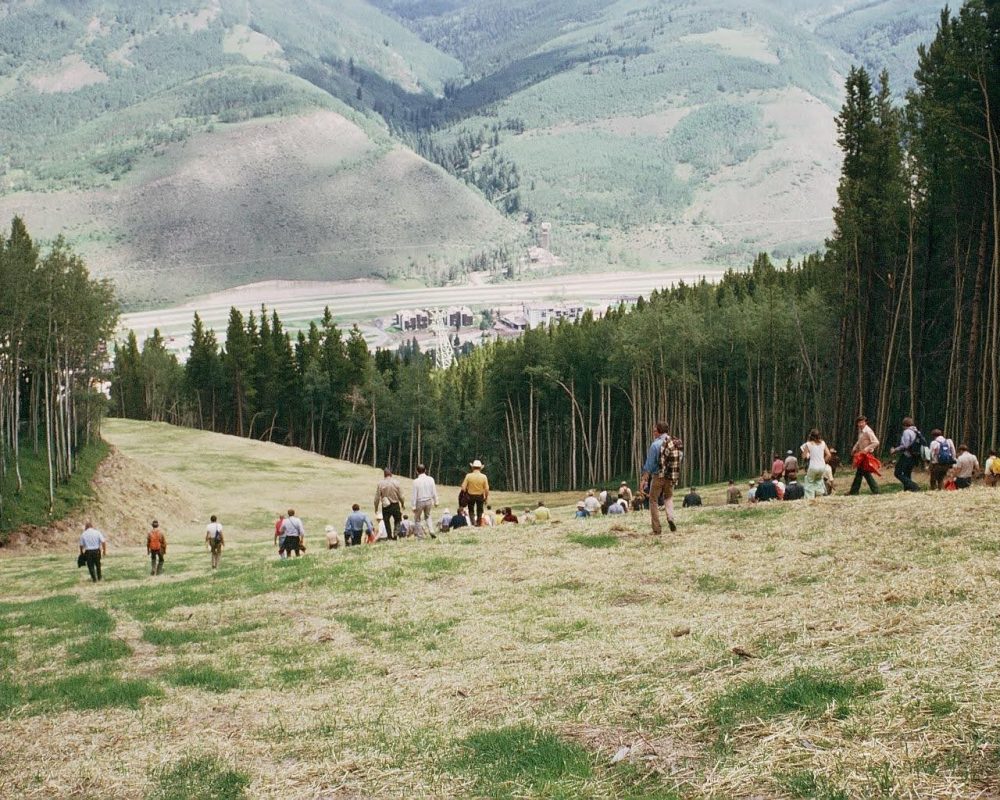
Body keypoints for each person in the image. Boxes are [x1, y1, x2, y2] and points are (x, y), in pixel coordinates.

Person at [641, 421, 679, 535]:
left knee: (653, 500)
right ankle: (670, 518)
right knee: (668, 497)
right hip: (670, 476)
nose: (653, 433)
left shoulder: (655, 445)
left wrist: (644, 479)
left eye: (654, 431)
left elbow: (649, 464)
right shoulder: (673, 442)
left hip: (658, 476)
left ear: (658, 432)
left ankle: (656, 529)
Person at [849, 415, 881, 495]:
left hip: (866, 455)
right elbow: (859, 441)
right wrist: (854, 448)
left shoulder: (868, 431)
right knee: (861, 473)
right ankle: (854, 491)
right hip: (861, 454)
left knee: (864, 473)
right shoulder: (861, 431)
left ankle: (875, 490)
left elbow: (876, 442)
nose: (860, 424)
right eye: (859, 423)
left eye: (862, 422)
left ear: (865, 422)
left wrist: (866, 449)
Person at [889, 417, 922, 492]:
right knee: (907, 473)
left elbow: (905, 445)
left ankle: (914, 486)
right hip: (915, 455)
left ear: (904, 425)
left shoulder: (907, 432)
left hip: (907, 455)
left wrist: (895, 450)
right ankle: (908, 490)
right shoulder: (917, 431)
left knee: (898, 472)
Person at [374, 469, 405, 540]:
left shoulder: (380, 483)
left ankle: (389, 536)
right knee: (397, 520)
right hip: (395, 504)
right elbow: (401, 496)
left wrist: (376, 508)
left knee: (386, 521)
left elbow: (377, 498)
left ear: (384, 475)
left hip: (386, 506)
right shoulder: (396, 482)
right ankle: (395, 534)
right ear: (391, 474)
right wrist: (402, 504)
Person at [801, 428, 832, 499]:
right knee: (819, 481)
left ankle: (810, 499)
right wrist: (823, 461)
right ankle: (820, 496)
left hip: (813, 466)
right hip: (822, 466)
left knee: (809, 482)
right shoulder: (823, 443)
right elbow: (829, 455)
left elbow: (803, 456)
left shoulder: (808, 444)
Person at [411, 464, 438, 539]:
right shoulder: (431, 479)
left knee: (417, 519)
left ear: (417, 472)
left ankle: (420, 536)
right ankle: (431, 530)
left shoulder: (416, 481)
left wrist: (413, 506)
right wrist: (436, 501)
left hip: (419, 501)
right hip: (429, 500)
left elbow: (414, 495)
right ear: (425, 470)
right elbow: (434, 491)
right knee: (428, 516)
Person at [460, 460, 489, 526]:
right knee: (480, 510)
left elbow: (463, 488)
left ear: (472, 467)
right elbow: (487, 489)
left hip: (470, 495)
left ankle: (473, 523)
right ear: (480, 468)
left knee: (471, 510)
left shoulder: (468, 476)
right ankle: (478, 523)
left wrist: (466, 493)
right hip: (480, 495)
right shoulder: (484, 477)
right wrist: (486, 498)